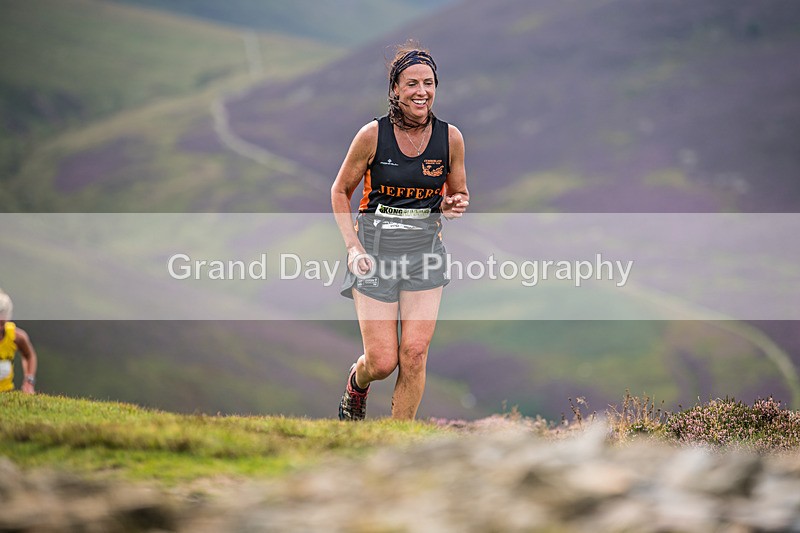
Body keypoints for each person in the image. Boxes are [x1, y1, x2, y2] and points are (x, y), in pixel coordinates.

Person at [331, 42, 469, 420]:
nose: (421, 91)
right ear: (395, 89)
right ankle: (356, 384)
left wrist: (453, 204)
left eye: (428, 82)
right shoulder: (372, 135)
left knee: (414, 353)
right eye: (411, 84)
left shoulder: (450, 138)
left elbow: (457, 194)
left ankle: (396, 441)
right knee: (382, 361)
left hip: (425, 255)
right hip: (374, 256)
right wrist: (352, 247)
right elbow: (340, 191)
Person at [0, 289, 38, 394]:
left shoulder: (17, 337)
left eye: (2, 323)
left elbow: (29, 356)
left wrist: (29, 381)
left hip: (6, 392)